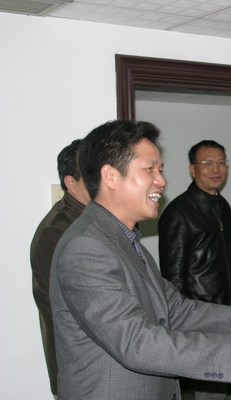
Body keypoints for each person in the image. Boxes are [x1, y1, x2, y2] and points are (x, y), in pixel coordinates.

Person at [49, 120, 231, 400]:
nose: (161, 181)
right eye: (149, 169)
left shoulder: (125, 240)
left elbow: (176, 309)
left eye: (160, 170)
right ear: (110, 176)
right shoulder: (86, 247)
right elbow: (134, 341)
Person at [158, 140, 231, 399]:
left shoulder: (222, 206)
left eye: (221, 162)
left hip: (230, 312)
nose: (216, 169)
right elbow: (172, 279)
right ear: (192, 169)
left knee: (226, 388)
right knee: (212, 390)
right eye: (207, 163)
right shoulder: (179, 212)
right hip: (202, 318)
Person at [30, 139, 90, 397]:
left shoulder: (95, 220)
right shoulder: (57, 231)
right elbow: (77, 311)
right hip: (80, 372)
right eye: (91, 174)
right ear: (70, 183)